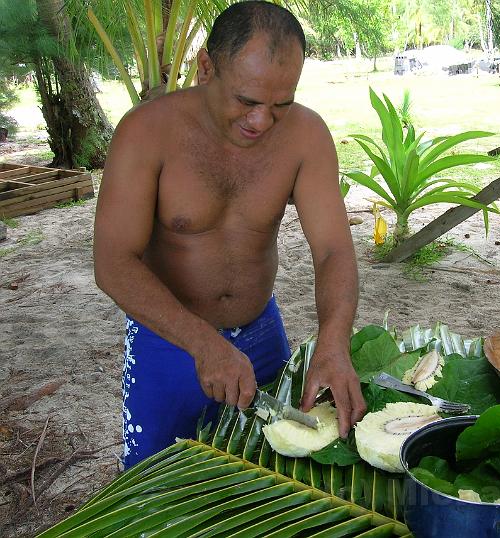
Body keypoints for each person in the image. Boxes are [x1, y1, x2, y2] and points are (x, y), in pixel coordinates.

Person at [93, 1, 365, 468]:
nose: (261, 121)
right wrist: (203, 343)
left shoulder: (306, 136)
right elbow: (113, 262)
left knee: (271, 484)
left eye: (281, 104)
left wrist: (334, 341)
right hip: (170, 338)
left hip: (262, 333)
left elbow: (334, 250)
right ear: (205, 67)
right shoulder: (146, 132)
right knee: (158, 488)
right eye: (247, 101)